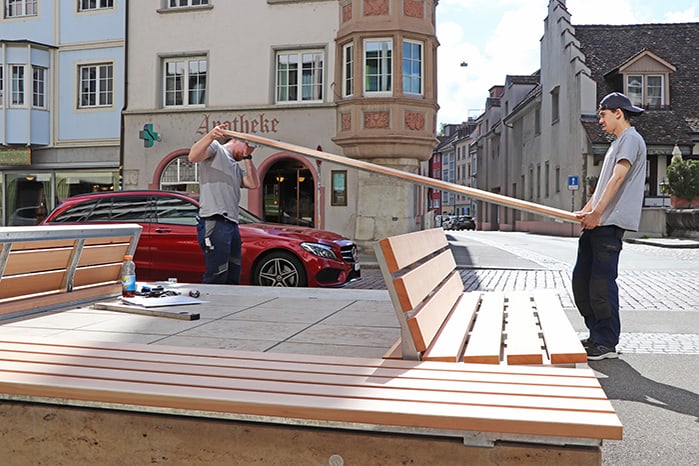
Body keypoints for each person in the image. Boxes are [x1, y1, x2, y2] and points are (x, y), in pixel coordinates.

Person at [572, 92, 647, 360]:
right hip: (597, 223)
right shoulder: (617, 143)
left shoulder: (630, 139)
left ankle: (606, 342)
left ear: (618, 113)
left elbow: (617, 179)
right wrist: (587, 210)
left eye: (602, 115)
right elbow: (603, 184)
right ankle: (596, 335)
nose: (599, 120)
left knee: (601, 285)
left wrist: (598, 214)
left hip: (609, 225)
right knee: (582, 282)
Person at [188, 124, 260, 284]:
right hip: (215, 220)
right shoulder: (216, 148)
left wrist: (248, 157)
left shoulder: (235, 166)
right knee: (217, 273)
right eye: (245, 144)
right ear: (235, 140)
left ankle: (228, 307)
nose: (247, 148)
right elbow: (192, 157)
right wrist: (211, 136)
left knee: (233, 273)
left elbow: (253, 183)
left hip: (232, 224)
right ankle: (212, 307)